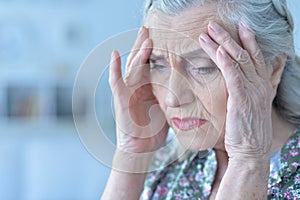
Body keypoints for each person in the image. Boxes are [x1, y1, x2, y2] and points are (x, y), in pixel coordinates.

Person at [102, 0, 300, 199]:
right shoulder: (168, 161)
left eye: (202, 68)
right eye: (158, 65)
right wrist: (132, 153)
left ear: (272, 68)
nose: (172, 98)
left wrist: (247, 161)